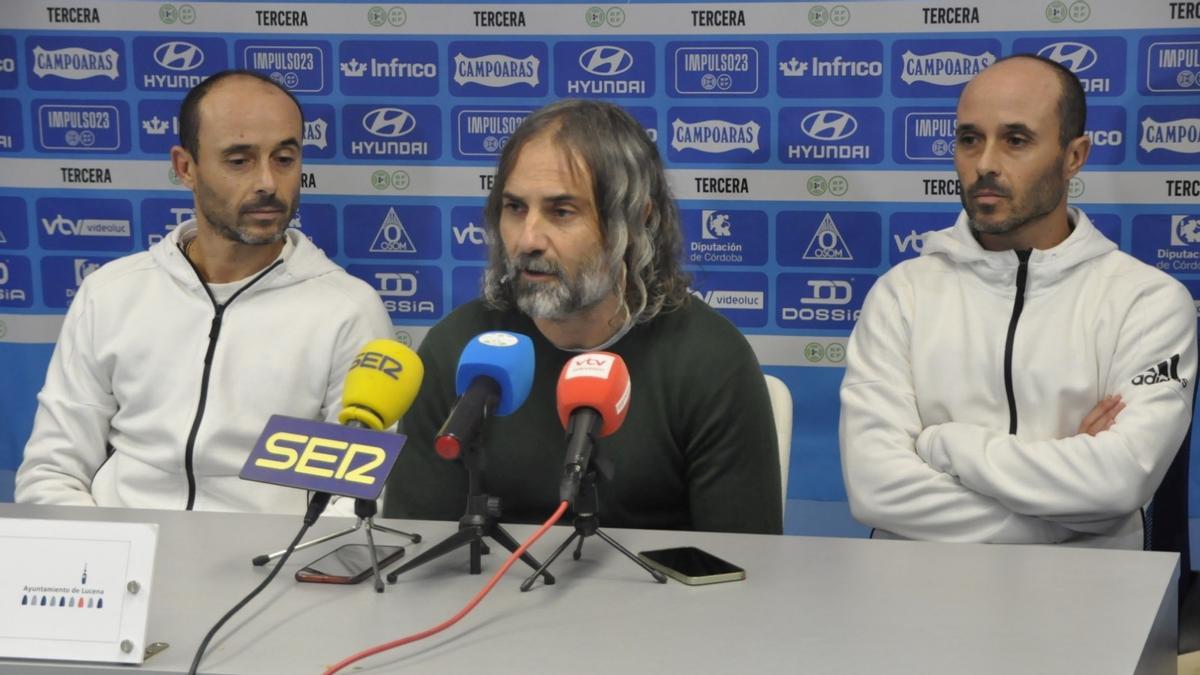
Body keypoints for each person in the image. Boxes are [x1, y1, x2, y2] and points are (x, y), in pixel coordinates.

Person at [839, 54, 1197, 549]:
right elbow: (876, 490)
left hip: (1092, 598)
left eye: (1016, 140)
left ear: (1075, 156)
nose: (985, 163)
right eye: (969, 139)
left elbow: (1120, 481)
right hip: (915, 597)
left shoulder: (1148, 301)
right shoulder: (901, 295)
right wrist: (1074, 509)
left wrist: (942, 444)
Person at [384, 99, 781, 534]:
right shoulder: (458, 349)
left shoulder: (711, 362)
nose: (528, 239)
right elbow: (417, 548)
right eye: (515, 208)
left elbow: (743, 571)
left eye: (561, 211)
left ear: (635, 220)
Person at [15, 70, 393, 513]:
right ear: (185, 167)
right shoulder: (111, 293)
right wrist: (107, 562)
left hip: (271, 568)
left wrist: (285, 573)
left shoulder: (348, 311)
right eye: (240, 160)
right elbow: (52, 470)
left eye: (285, 158)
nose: (268, 182)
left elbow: (353, 500)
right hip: (126, 562)